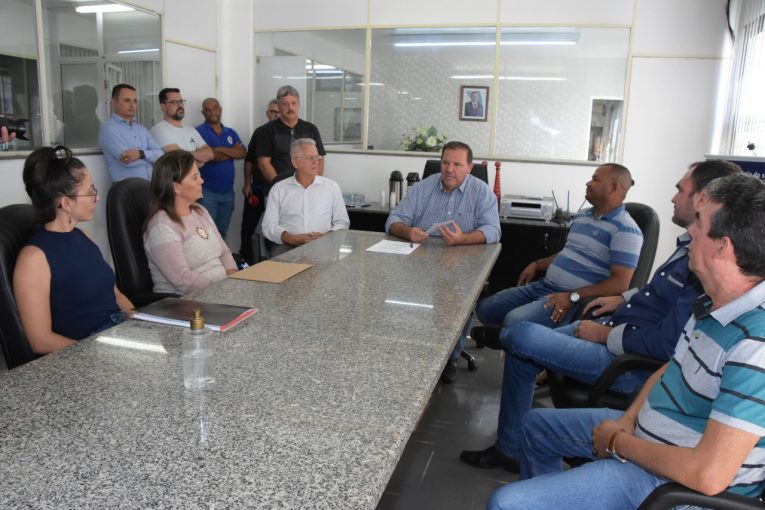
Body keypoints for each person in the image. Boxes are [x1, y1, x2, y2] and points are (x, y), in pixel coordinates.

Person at [487, 173, 765, 509]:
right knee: (535, 426)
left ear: (723, 246)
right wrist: (627, 420)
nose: (690, 230)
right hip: (642, 436)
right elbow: (669, 368)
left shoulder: (755, 345)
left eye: (700, 224)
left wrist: (618, 442)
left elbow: (707, 475)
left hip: (667, 482)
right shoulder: (712, 302)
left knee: (505, 503)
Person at [385, 140, 501, 382]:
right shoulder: (423, 188)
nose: (449, 169)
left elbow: (493, 231)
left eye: (457, 164)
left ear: (469, 167)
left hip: (464, 265)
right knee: (402, 293)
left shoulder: (481, 192)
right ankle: (414, 345)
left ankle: (450, 356)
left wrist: (463, 239)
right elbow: (394, 220)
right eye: (445, 163)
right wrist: (408, 231)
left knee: (457, 299)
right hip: (422, 265)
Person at [477, 164, 642, 331]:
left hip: (570, 299)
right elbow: (568, 253)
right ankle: (516, 335)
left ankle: (519, 335)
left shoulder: (625, 229)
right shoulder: (582, 215)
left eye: (595, 179)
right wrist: (537, 264)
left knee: (514, 320)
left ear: (613, 188)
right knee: (485, 309)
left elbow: (620, 284)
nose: (588, 183)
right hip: (544, 286)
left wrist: (573, 296)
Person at [13, 146, 134, 354]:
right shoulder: (34, 258)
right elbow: (40, 340)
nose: (97, 198)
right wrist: (93, 354)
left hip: (118, 334)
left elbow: (114, 293)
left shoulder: (82, 236)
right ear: (67, 203)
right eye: (91, 191)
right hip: (87, 348)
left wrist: (140, 320)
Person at [143, 150, 238, 295]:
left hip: (220, 291)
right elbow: (184, 280)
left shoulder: (200, 211)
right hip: (186, 301)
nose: (202, 181)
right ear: (176, 187)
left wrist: (235, 282)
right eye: (195, 177)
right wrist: (223, 290)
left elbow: (224, 253)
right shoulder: (161, 227)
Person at [261, 138, 349, 257]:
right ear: (295, 162)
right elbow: (268, 226)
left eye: (317, 157)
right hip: (288, 246)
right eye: (310, 158)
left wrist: (327, 236)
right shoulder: (279, 189)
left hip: (323, 244)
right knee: (279, 264)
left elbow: (342, 222)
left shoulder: (332, 187)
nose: (315, 162)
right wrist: (291, 238)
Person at [256, 85, 325, 189]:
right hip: (278, 189)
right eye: (285, 104)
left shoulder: (311, 129)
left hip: (307, 188)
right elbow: (264, 163)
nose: (290, 108)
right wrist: (281, 187)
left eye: (294, 103)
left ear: (299, 104)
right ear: (279, 106)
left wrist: (313, 185)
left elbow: (319, 159)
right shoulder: (267, 130)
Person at [195, 97, 246, 239]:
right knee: (208, 232)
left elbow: (242, 153)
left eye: (215, 108)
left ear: (220, 109)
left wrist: (217, 149)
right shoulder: (198, 132)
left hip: (228, 192)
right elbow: (207, 157)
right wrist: (230, 151)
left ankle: (220, 255)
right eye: (208, 110)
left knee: (222, 232)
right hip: (206, 192)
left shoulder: (230, 132)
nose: (212, 112)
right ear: (203, 113)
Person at [240, 99, 280, 265]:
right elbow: (249, 160)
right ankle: (246, 262)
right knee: (248, 227)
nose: (276, 115)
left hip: (278, 192)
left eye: (278, 112)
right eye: (272, 112)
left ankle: (275, 262)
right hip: (256, 188)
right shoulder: (260, 132)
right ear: (267, 114)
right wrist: (247, 183)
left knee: (276, 229)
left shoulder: (288, 134)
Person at [98, 83, 163, 181]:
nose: (132, 105)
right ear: (114, 103)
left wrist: (140, 154)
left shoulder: (141, 129)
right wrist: (152, 159)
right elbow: (127, 161)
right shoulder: (109, 129)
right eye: (127, 100)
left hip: (151, 184)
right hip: (127, 186)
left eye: (135, 101)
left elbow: (161, 155)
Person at [150, 88, 214, 167]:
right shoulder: (158, 130)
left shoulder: (191, 129)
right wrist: (200, 161)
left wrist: (187, 156)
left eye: (181, 101)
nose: (180, 105)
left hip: (195, 175)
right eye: (174, 102)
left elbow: (210, 154)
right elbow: (179, 159)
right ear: (163, 107)